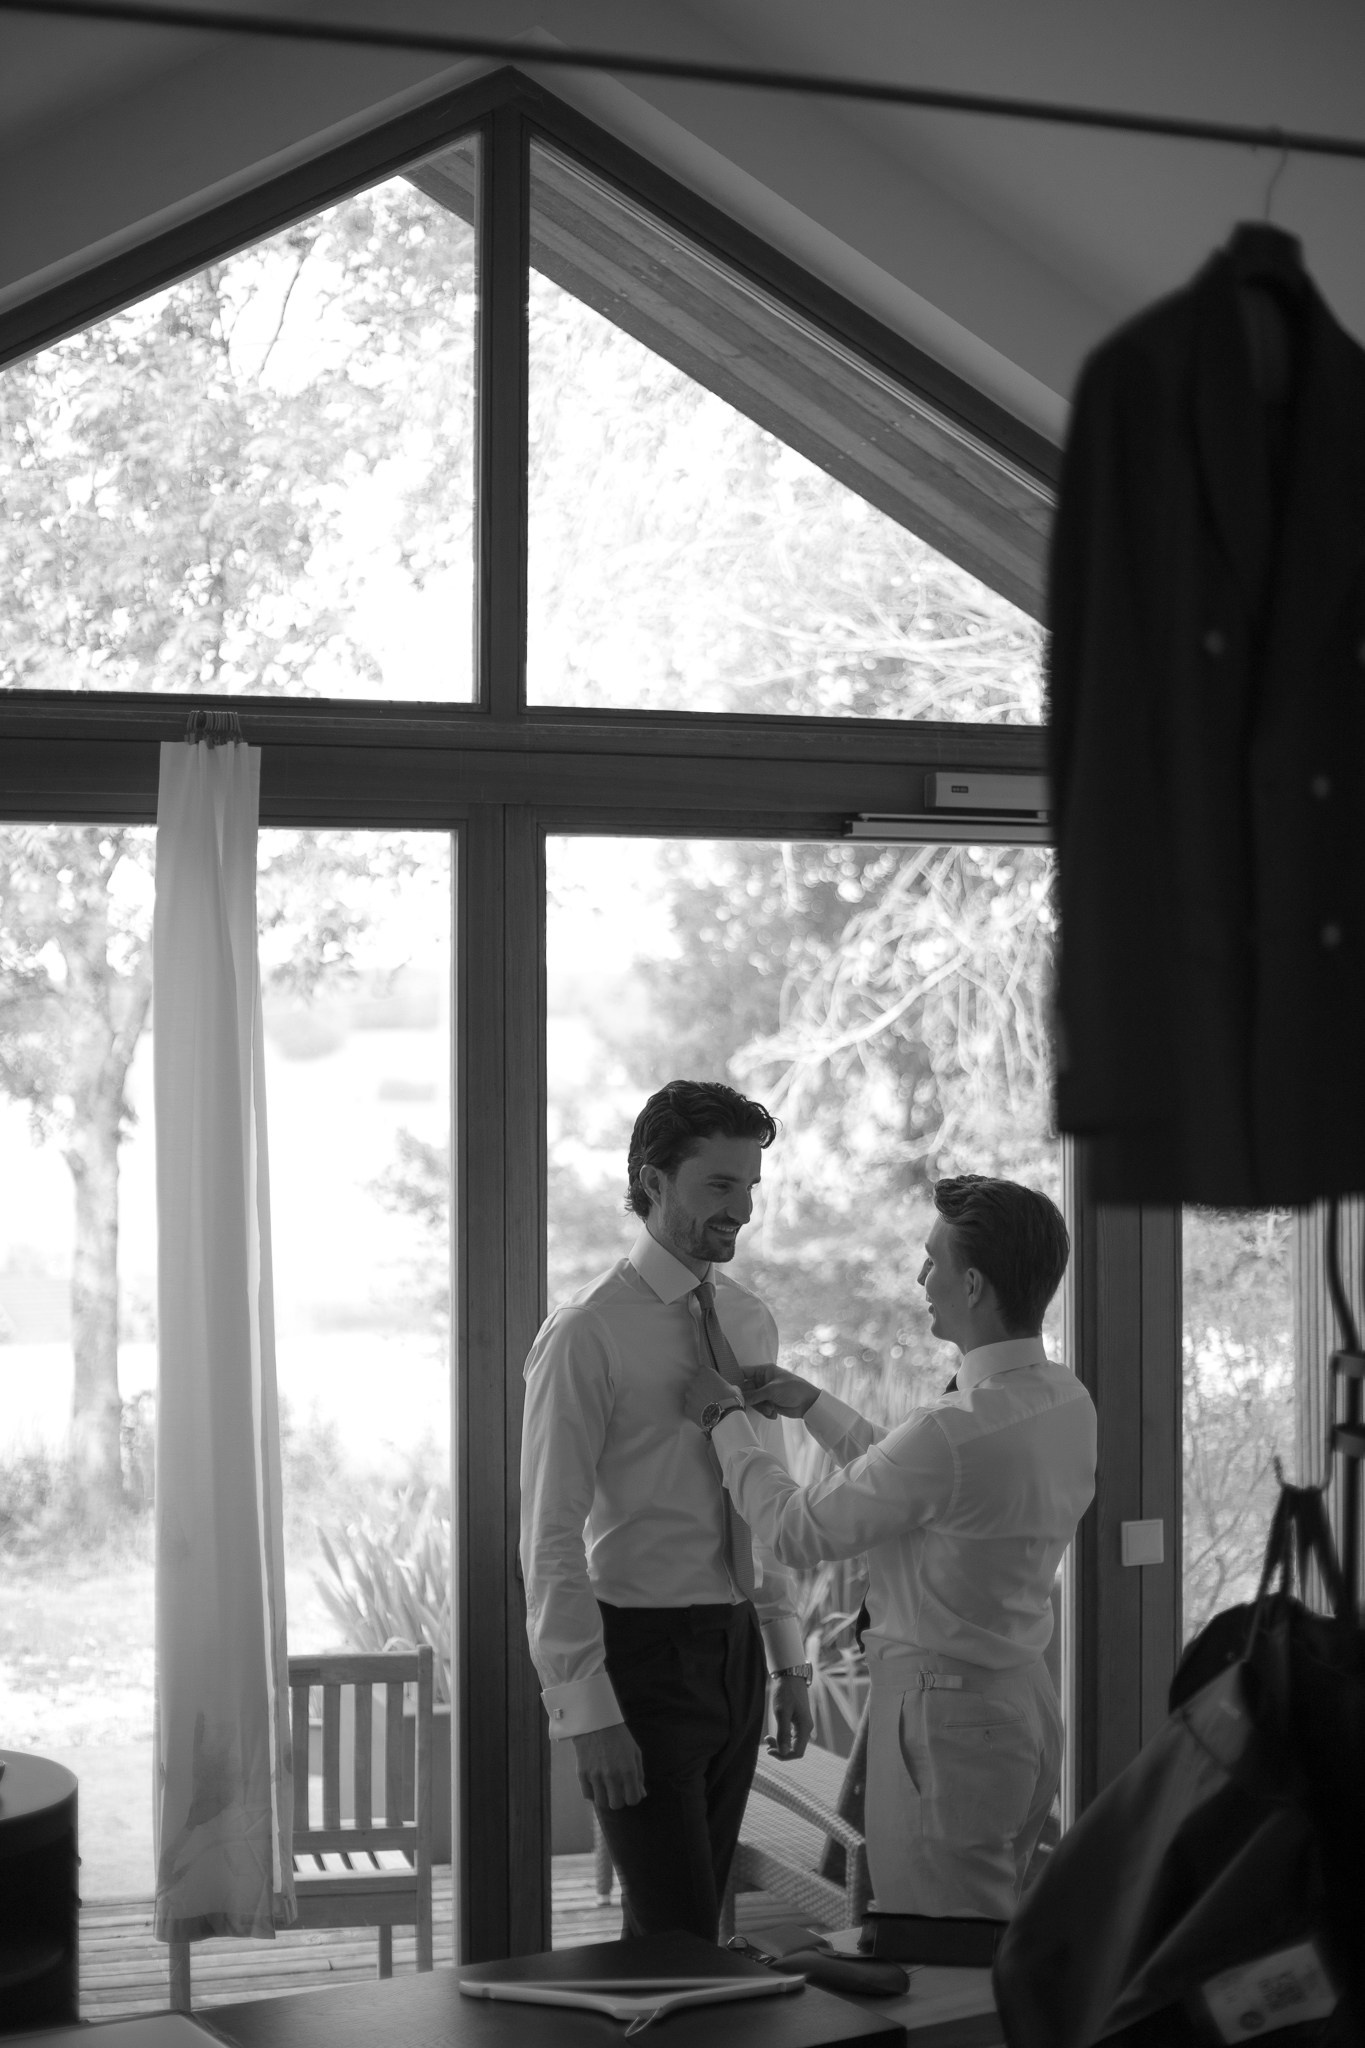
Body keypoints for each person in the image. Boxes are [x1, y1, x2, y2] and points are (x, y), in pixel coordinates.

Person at [683, 1172, 1096, 1922]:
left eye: (932, 1260)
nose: (919, 1276)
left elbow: (796, 1529)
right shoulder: (1064, 1399)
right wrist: (814, 1406)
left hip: (948, 1725)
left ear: (972, 1285)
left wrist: (724, 1424)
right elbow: (924, 1486)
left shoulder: (954, 1430)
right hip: (1023, 1707)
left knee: (938, 1946)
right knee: (989, 1936)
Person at [520, 1079, 813, 1941]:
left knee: (683, 1938)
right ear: (652, 1182)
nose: (742, 1210)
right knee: (679, 1936)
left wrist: (787, 1659)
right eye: (719, 1185)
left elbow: (762, 1492)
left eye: (749, 1186)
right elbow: (548, 1533)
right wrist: (588, 1712)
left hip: (734, 1651)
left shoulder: (750, 1322)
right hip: (640, 1662)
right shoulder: (586, 1331)